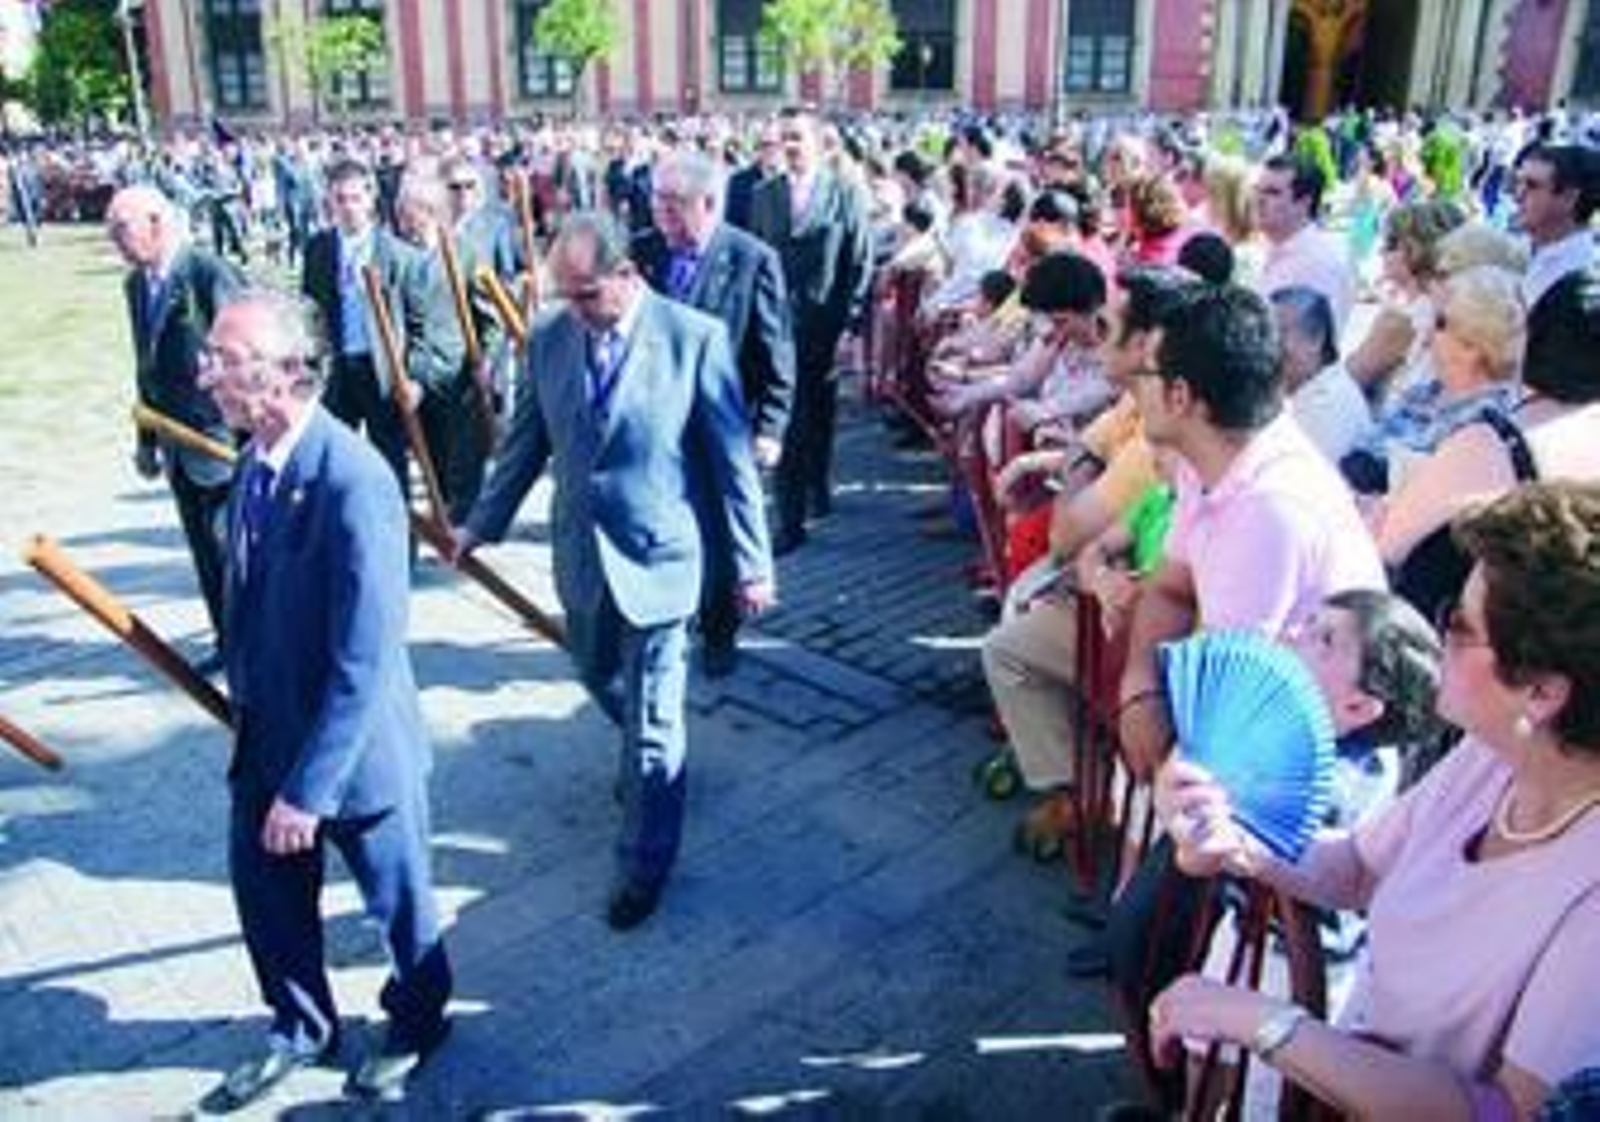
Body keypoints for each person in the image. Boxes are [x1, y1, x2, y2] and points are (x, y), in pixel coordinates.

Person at [1150, 481, 1600, 1120]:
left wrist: (1275, 1026)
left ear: (1541, 692)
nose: (1438, 626)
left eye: (1460, 623)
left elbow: (1507, 1112)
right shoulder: (1492, 757)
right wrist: (1233, 834)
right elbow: (1359, 869)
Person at [455, 212, 775, 931]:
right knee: (599, 679)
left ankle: (644, 862)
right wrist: (481, 524)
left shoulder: (694, 340)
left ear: (630, 275)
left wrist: (752, 564)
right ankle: (643, 759)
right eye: (564, 295)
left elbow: (731, 465)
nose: (577, 310)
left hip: (662, 556)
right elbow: (525, 444)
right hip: (582, 559)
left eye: (588, 294)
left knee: (655, 717)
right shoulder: (549, 337)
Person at [197, 289, 452, 1109]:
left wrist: (310, 790)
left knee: (400, 907)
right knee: (267, 900)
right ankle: (302, 1025)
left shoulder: (354, 478)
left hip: (355, 756)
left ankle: (419, 1020)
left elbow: (365, 655)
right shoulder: (253, 464)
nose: (206, 377)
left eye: (223, 361)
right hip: (267, 742)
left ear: (279, 377)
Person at [633, 148, 796, 677]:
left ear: (708, 203)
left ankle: (720, 631)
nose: (662, 216)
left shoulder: (751, 259)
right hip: (656, 425)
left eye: (673, 206)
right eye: (656, 203)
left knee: (720, 533)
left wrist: (770, 426)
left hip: (723, 424)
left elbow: (776, 352)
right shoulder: (641, 254)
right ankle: (669, 618)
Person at [106, 185, 245, 668]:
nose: (114, 241)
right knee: (205, 553)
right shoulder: (135, 286)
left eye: (121, 229)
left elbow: (244, 355)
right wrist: (146, 441)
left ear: (157, 223)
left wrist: (249, 437)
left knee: (235, 554)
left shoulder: (207, 273)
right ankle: (228, 643)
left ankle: (255, 648)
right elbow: (146, 366)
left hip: (218, 443)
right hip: (174, 445)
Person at [300, 157, 465, 504]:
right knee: (332, 461)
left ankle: (400, 544)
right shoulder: (318, 250)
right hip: (338, 371)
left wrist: (415, 379)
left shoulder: (399, 256)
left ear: (371, 199)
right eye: (339, 199)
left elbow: (421, 327)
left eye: (354, 198)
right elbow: (309, 314)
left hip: (384, 375)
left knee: (390, 465)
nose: (347, 208)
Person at [748, 108, 875, 555]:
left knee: (818, 413)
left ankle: (818, 483)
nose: (790, 146)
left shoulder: (844, 193)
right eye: (784, 138)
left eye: (798, 138)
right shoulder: (764, 195)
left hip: (826, 321)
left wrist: (852, 324)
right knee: (788, 415)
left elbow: (860, 260)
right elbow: (753, 259)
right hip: (778, 324)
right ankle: (790, 518)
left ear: (819, 144)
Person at [1252, 154, 1357, 337]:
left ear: (1304, 203)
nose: (1258, 200)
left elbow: (1307, 347)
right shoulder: (1281, 247)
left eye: (1272, 192)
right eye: (1257, 190)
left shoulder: (1319, 261)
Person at [1271, 285, 1371, 465]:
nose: (1267, 346)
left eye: (1280, 332)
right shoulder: (1318, 388)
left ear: (1316, 338)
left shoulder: (1325, 403)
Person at [1514, 143, 1596, 312]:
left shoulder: (1583, 274)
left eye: (1532, 186)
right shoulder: (1516, 246)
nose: (1518, 195)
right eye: (1518, 182)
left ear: (1569, 198)